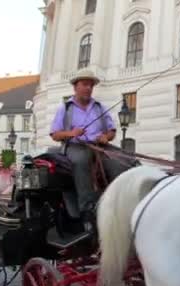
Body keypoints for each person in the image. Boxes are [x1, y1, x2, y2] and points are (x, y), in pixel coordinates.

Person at [49, 69, 132, 232]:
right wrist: (71, 133)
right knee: (81, 162)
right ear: (75, 87)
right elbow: (55, 134)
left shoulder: (100, 108)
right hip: (75, 146)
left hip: (99, 146)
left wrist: (106, 137)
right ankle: (87, 210)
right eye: (84, 84)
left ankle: (119, 203)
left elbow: (112, 131)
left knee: (124, 161)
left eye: (91, 85)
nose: (88, 88)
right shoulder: (65, 109)